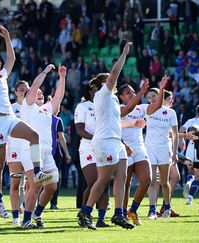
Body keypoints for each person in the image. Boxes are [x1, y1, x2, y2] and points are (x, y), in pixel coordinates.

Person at [0, 25, 52, 220]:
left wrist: (8, 38)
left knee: (33, 136)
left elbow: (11, 59)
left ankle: (37, 172)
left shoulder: (2, 76)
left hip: (10, 117)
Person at [78, 42, 134, 230]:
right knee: (103, 180)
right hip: (104, 142)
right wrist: (124, 53)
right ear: (103, 84)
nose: (114, 81)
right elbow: (115, 74)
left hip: (115, 141)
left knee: (122, 177)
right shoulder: (102, 94)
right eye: (109, 80)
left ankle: (118, 214)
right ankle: (85, 212)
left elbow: (118, 120)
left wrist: (123, 142)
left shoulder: (114, 98)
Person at [20, 64, 68, 229]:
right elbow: (34, 86)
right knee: (36, 184)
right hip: (31, 151)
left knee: (52, 185)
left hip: (47, 153)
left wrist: (62, 77)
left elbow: (58, 97)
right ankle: (26, 220)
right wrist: (46, 71)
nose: (40, 93)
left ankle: (37, 213)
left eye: (41, 93)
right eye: (37, 93)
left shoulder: (47, 110)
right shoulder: (28, 107)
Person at [118, 76, 167, 226]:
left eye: (133, 92)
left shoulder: (142, 108)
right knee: (126, 184)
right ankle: (121, 213)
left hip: (139, 148)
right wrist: (141, 92)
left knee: (147, 179)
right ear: (120, 97)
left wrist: (162, 89)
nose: (132, 95)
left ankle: (132, 210)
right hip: (123, 148)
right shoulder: (119, 108)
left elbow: (157, 106)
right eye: (128, 93)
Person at [74, 84, 110, 228]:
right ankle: (84, 214)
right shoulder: (83, 106)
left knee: (105, 183)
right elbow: (79, 130)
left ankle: (101, 219)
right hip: (88, 147)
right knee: (95, 182)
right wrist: (96, 139)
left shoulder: (106, 106)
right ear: (90, 91)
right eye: (96, 91)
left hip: (105, 147)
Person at [145, 90, 179, 219]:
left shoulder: (170, 112)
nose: (151, 99)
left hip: (164, 149)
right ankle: (152, 210)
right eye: (148, 97)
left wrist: (175, 153)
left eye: (154, 96)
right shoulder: (147, 110)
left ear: (159, 96)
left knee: (164, 182)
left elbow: (175, 135)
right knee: (152, 180)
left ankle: (167, 207)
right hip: (149, 148)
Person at [6, 80, 31, 226]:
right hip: (14, 149)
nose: (24, 91)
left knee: (31, 184)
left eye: (26, 89)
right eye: (21, 89)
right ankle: (16, 217)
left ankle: (26, 207)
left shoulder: (33, 107)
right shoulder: (10, 108)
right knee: (15, 183)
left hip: (29, 148)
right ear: (15, 92)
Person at [180, 104, 199, 205]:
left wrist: (182, 141)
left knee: (191, 172)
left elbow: (181, 131)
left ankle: (188, 182)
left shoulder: (191, 121)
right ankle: (190, 198)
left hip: (190, 148)